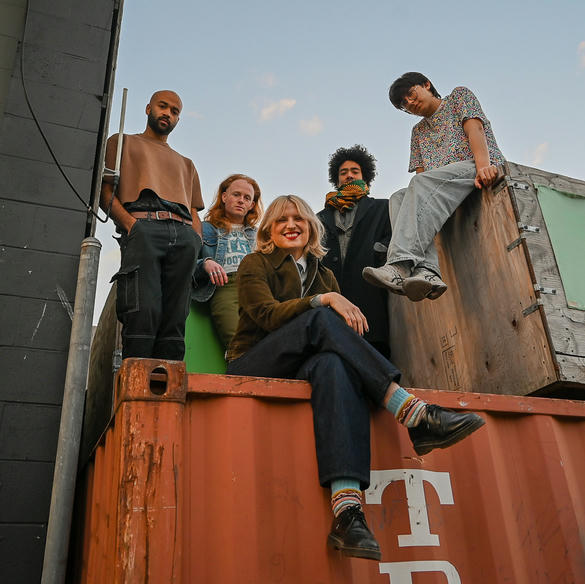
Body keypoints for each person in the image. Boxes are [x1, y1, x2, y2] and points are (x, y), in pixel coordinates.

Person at [227, 194, 485, 562]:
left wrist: (328, 302)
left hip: (302, 364)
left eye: (298, 219)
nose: (291, 225)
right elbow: (266, 316)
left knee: (333, 365)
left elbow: (333, 336)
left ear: (311, 227)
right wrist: (323, 301)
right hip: (254, 361)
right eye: (281, 220)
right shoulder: (256, 263)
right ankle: (413, 413)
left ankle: (347, 514)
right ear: (269, 230)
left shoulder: (324, 274)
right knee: (321, 318)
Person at [363, 72, 506, 301]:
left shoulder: (458, 96)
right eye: (404, 104)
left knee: (419, 183)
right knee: (399, 197)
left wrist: (483, 167)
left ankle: (399, 265)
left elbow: (475, 130)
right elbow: (420, 179)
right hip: (442, 186)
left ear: (427, 85)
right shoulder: (418, 132)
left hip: (473, 165)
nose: (410, 103)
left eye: (411, 94)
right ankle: (427, 272)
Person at [100, 90, 204, 360]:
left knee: (176, 317)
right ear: (148, 108)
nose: (168, 113)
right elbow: (105, 191)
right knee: (142, 311)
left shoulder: (187, 164)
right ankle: (135, 382)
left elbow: (194, 209)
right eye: (163, 106)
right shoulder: (122, 142)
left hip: (183, 232)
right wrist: (132, 225)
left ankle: (166, 382)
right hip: (144, 225)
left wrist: (195, 239)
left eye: (174, 111)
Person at [318, 145, 391, 357]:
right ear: (337, 179)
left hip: (371, 300)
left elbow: (392, 239)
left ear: (364, 176)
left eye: (354, 171)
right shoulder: (319, 218)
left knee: (374, 360)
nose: (349, 175)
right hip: (332, 305)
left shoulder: (383, 208)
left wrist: (377, 251)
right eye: (343, 172)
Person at [192, 174, 262, 347]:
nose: (241, 200)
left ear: (252, 205)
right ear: (224, 197)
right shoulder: (205, 228)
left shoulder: (260, 234)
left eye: (247, 198)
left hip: (258, 288)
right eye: (236, 194)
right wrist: (205, 263)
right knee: (238, 345)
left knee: (266, 342)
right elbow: (185, 262)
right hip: (225, 286)